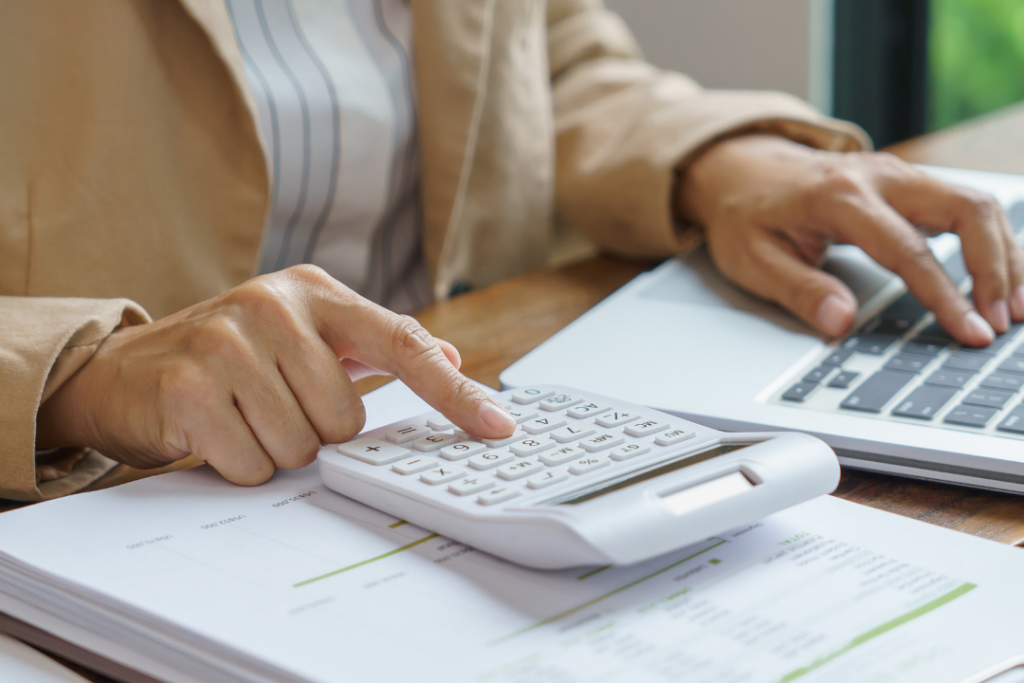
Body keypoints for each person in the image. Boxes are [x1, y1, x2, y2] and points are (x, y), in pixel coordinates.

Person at [2, 1, 1020, 502]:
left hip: (438, 437)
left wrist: (724, 163)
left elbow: (551, 57)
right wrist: (77, 373)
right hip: (107, 495)